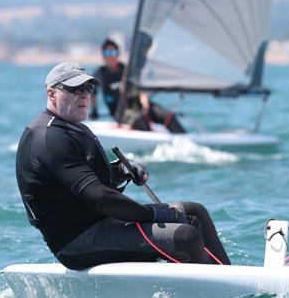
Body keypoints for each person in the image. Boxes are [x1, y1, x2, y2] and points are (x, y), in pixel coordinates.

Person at [16, 60, 230, 270]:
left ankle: (229, 278)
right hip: (77, 242)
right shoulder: (50, 138)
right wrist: (154, 215)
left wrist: (121, 170)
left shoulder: (72, 128)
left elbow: (88, 181)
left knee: (194, 212)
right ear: (51, 94)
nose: (84, 94)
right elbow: (100, 198)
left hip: (102, 224)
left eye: (88, 88)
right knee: (184, 235)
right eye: (74, 89)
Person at [89, 36, 186, 133]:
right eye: (107, 53)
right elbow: (93, 92)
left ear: (118, 54)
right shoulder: (100, 73)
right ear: (103, 55)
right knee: (138, 120)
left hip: (140, 106)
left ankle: (188, 140)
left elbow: (140, 85)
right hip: (121, 114)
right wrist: (94, 110)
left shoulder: (127, 70)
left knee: (168, 116)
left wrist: (144, 96)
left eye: (113, 52)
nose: (110, 56)